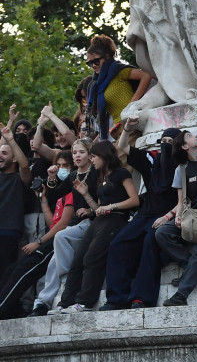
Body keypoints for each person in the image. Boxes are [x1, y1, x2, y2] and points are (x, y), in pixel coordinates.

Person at [98, 123, 181, 309]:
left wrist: (168, 216)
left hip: (166, 215)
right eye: (164, 142)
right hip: (145, 214)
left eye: (171, 142)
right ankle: (116, 298)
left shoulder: (182, 165)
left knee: (149, 245)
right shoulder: (151, 161)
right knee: (118, 244)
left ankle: (141, 298)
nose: (166, 145)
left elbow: (183, 199)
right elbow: (124, 146)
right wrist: (126, 129)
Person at [57, 141, 140, 312]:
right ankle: (65, 302)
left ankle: (85, 302)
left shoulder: (121, 174)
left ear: (103, 156)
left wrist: (111, 207)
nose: (91, 160)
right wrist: (86, 194)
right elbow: (98, 209)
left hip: (116, 220)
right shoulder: (102, 178)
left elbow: (134, 200)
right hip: (100, 220)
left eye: (94, 156)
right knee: (78, 259)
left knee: (92, 257)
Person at [0, 150, 79, 318]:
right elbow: (53, 224)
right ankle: (10, 310)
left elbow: (63, 225)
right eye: (58, 165)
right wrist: (43, 199)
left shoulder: (73, 192)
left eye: (65, 166)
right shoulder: (60, 193)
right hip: (52, 237)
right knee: (11, 270)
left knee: (25, 270)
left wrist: (39, 242)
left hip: (59, 240)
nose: (60, 169)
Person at [30, 140, 96, 314]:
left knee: (61, 237)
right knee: (53, 261)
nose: (77, 156)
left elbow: (105, 198)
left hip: (94, 221)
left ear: (90, 154)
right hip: (78, 224)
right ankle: (42, 302)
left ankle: (65, 278)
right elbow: (57, 193)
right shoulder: (73, 176)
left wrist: (90, 209)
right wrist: (51, 179)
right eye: (74, 152)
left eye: (81, 152)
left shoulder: (96, 172)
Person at [157, 131, 197, 306]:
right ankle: (190, 266)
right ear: (184, 146)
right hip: (192, 215)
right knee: (162, 233)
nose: (196, 136)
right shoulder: (181, 169)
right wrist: (178, 216)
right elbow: (181, 200)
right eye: (190, 136)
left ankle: (181, 295)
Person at [83, 34, 152, 140]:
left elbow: (146, 76)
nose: (94, 65)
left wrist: (132, 105)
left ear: (106, 57)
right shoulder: (100, 83)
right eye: (90, 63)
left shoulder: (119, 71)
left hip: (131, 125)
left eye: (96, 61)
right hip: (117, 130)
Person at [0, 126, 33, 279]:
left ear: (14, 158)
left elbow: (25, 165)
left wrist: (11, 140)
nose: (0, 156)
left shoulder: (19, 178)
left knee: (5, 274)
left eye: (4, 153)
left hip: (8, 232)